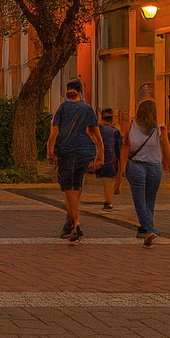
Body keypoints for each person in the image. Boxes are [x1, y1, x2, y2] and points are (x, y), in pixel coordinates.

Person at [46, 78, 104, 243]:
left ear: (67, 91)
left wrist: (50, 150)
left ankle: (75, 223)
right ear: (80, 91)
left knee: (67, 188)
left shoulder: (63, 109)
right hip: (85, 152)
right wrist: (101, 153)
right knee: (77, 186)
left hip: (66, 151)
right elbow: (96, 133)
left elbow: (54, 133)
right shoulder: (88, 109)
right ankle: (70, 221)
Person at [123, 99, 170, 246]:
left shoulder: (131, 127)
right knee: (149, 200)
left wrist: (122, 169)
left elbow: (125, 148)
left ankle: (146, 229)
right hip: (155, 167)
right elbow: (167, 152)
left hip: (136, 167)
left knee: (140, 200)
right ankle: (148, 228)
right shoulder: (160, 129)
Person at [97, 108, 123, 210]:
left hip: (95, 160)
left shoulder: (97, 129)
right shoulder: (114, 131)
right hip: (109, 160)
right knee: (108, 182)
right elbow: (119, 148)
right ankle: (108, 202)